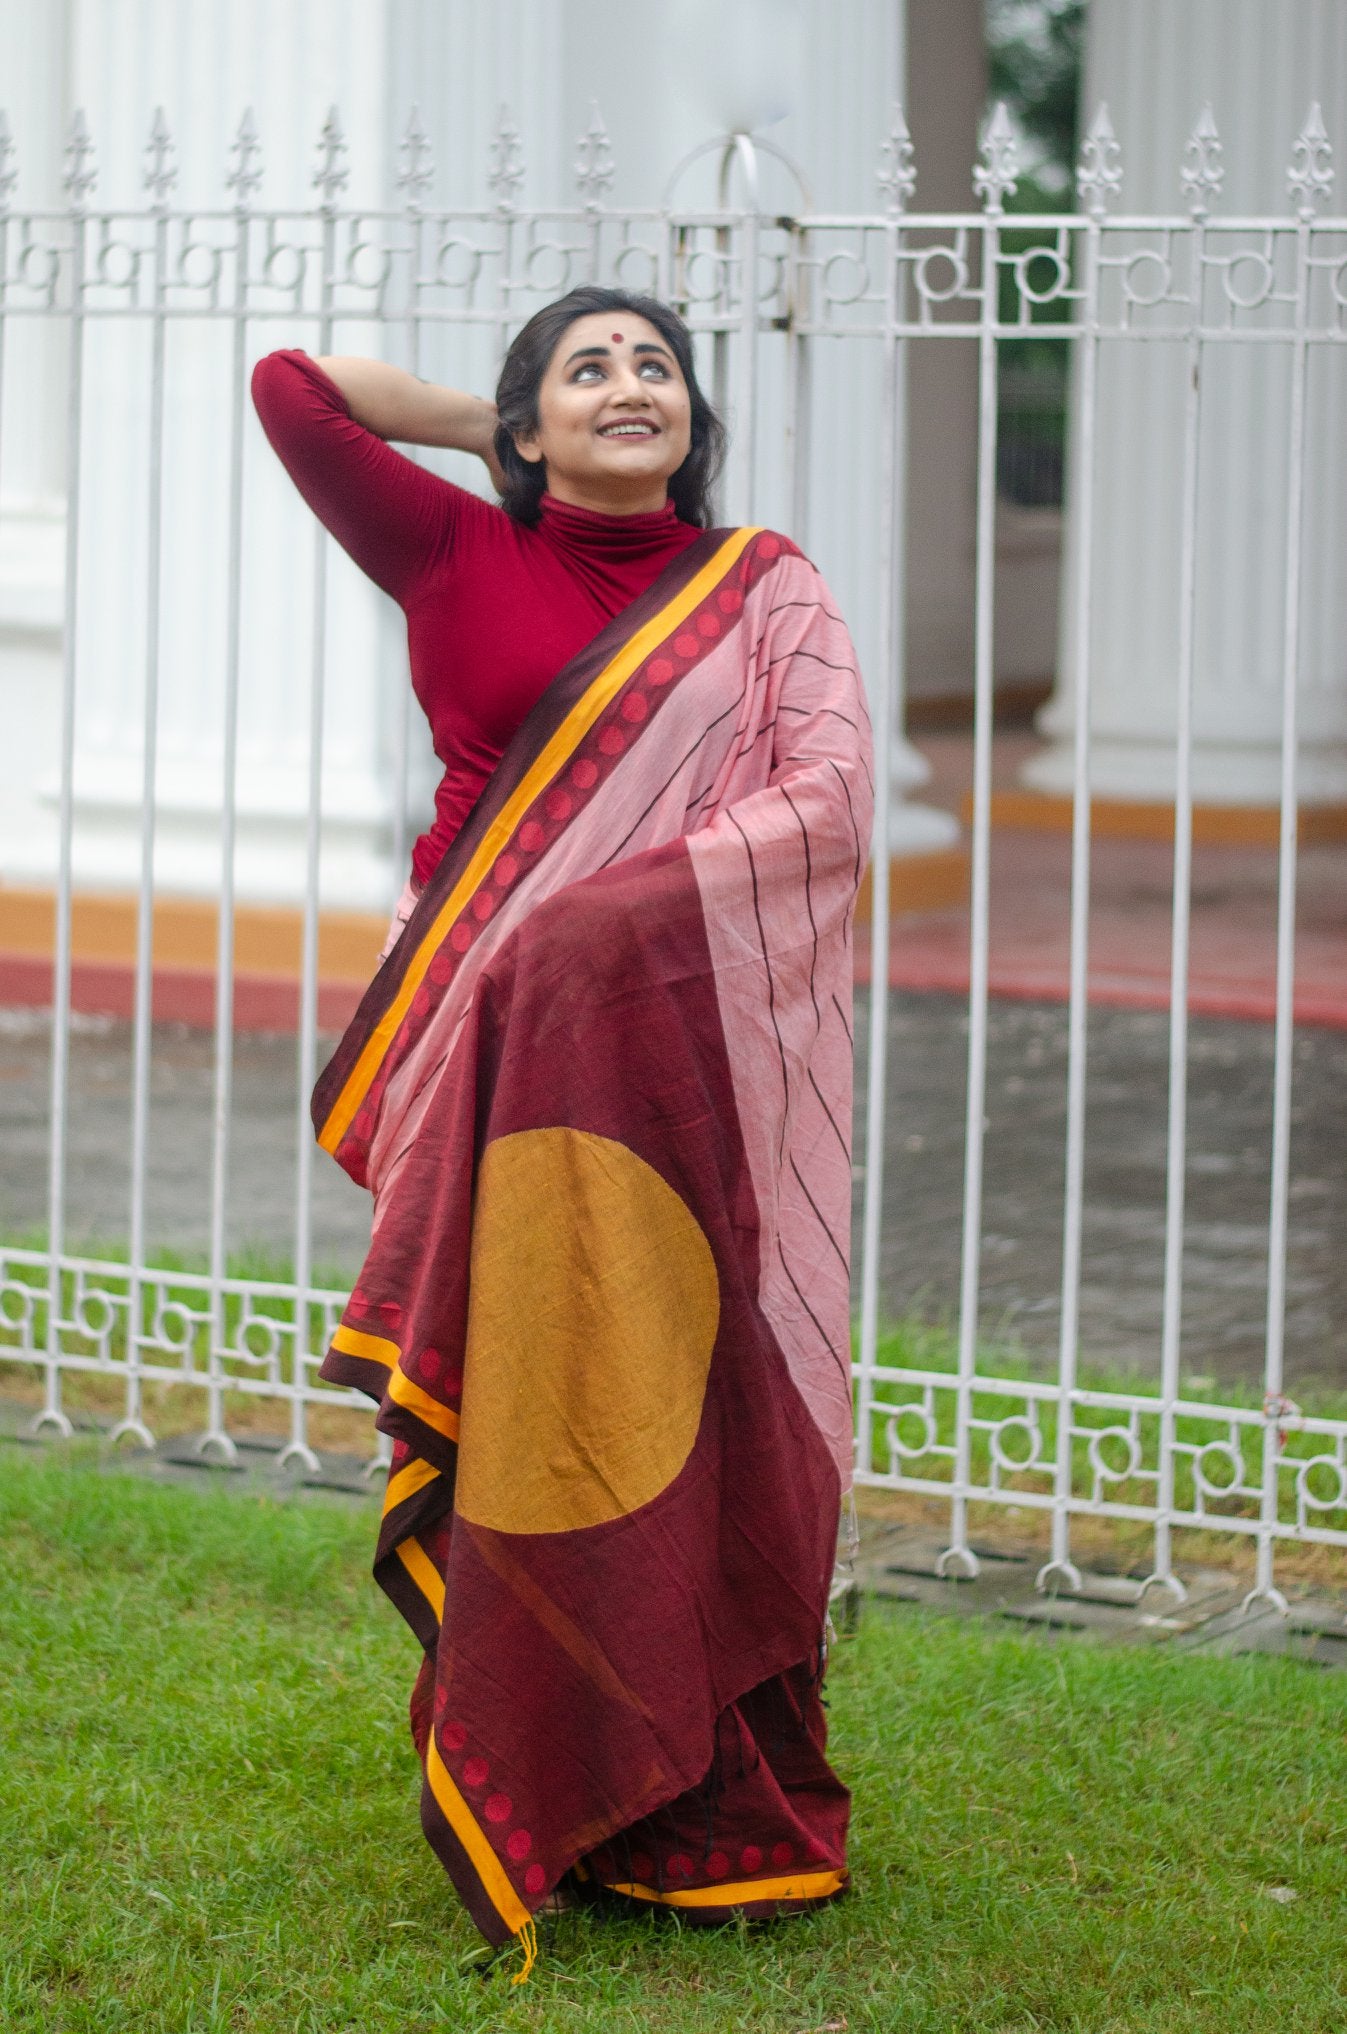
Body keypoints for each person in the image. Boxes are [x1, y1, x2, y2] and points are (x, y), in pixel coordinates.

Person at [251, 286, 873, 1977]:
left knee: (690, 1392)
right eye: (587, 370)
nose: (627, 385)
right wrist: (499, 438)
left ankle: (715, 1803)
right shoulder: (456, 548)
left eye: (655, 367)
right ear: (528, 421)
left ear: (696, 418)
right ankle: (551, 1767)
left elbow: (825, 799)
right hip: (488, 1041)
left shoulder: (767, 589)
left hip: (675, 1057)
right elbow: (292, 388)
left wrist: (600, 925)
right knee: (527, 1383)